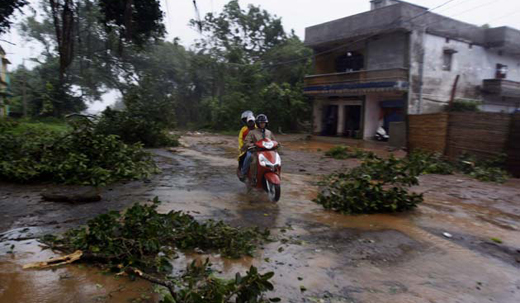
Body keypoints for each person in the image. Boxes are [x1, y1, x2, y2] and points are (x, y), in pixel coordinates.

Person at [240, 114, 276, 183]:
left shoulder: (269, 132)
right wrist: (252, 145)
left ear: (266, 123)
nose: (262, 124)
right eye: (261, 123)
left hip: (268, 151)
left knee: (276, 159)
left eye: (264, 123)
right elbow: (247, 142)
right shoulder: (252, 132)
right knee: (251, 159)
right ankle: (248, 175)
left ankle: (276, 173)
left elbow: (274, 141)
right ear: (258, 123)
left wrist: (277, 146)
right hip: (255, 151)